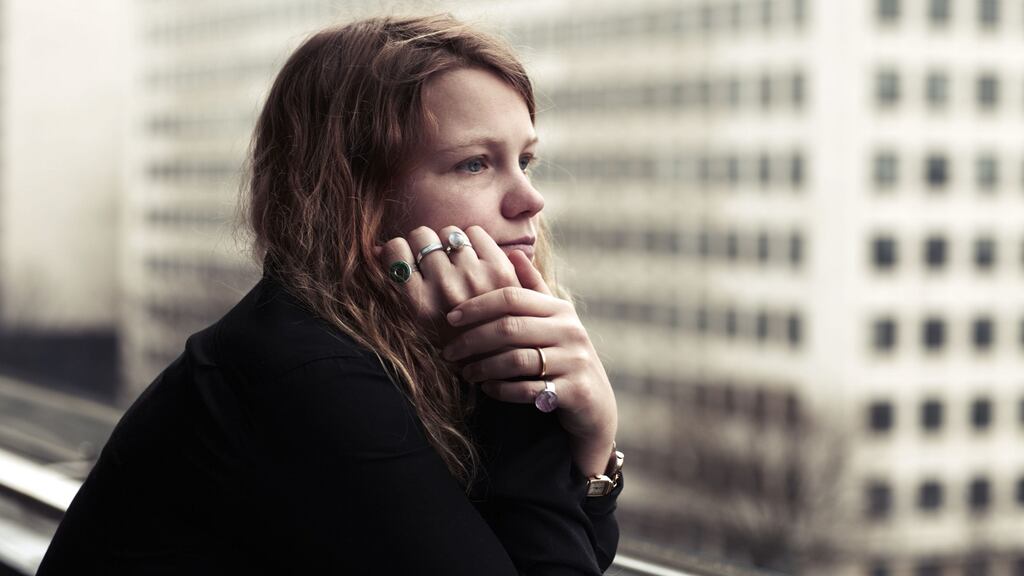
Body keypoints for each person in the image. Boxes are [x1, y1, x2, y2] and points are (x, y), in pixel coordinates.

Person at [38, 14, 622, 575]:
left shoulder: (373, 350)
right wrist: (526, 407)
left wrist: (594, 447)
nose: (530, 199)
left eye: (525, 160)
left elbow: (543, 552)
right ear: (354, 196)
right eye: (474, 164)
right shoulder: (305, 373)